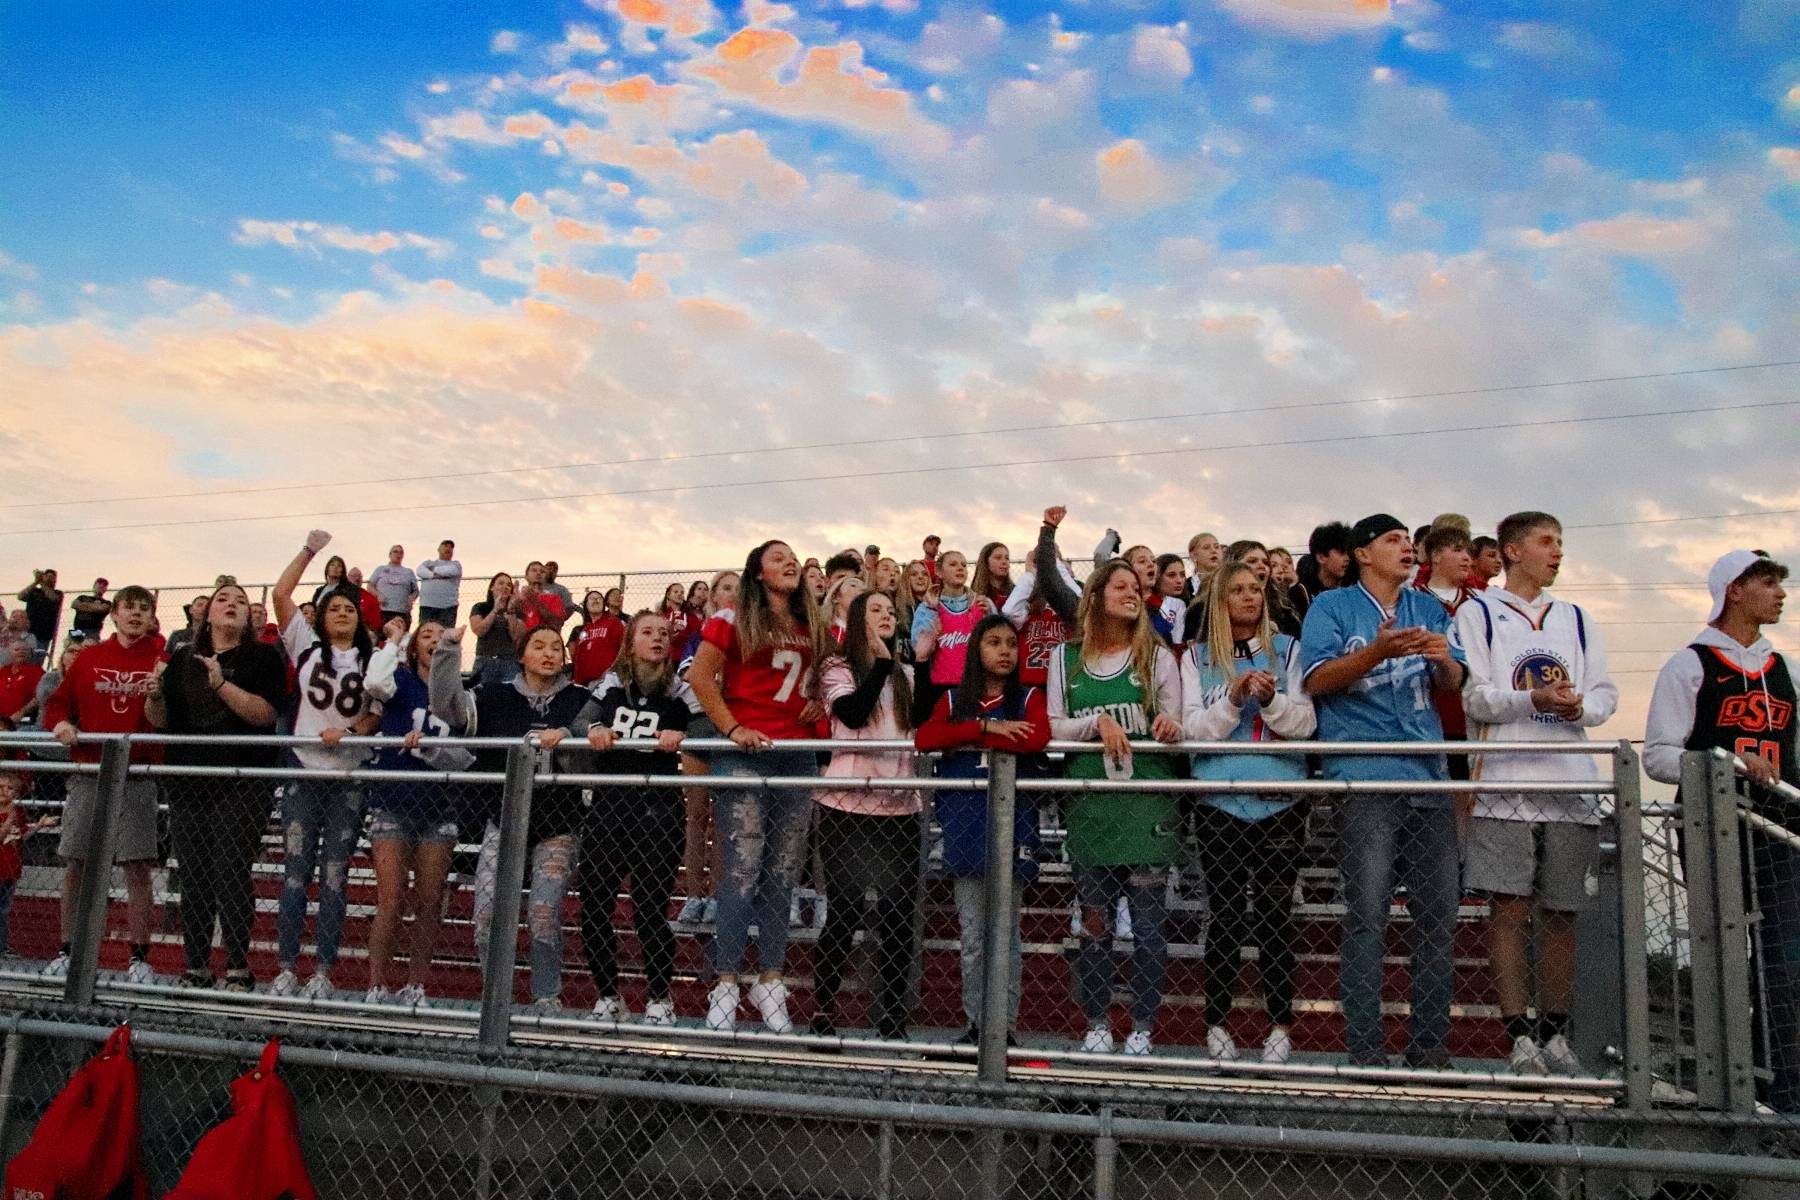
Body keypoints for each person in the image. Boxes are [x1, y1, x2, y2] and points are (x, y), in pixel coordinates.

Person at [1456, 511, 1618, 1076]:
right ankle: (1517, 1034)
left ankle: (1554, 1032)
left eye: (1561, 542)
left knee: (1562, 912)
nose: (1557, 552)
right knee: (1509, 907)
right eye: (1547, 542)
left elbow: (1604, 692)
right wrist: (1534, 701)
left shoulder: (1576, 618)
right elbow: (1477, 698)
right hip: (1505, 778)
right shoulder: (1478, 614)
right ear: (1511, 551)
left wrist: (1580, 707)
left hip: (1569, 780)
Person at [1301, 514, 1466, 1068]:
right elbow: (1316, 681)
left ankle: (1429, 1050)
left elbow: (1455, 684)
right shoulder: (1332, 607)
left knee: (1438, 917)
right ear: (1363, 553)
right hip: (1366, 775)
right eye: (1394, 540)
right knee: (1368, 914)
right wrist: (1378, 652)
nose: (1408, 548)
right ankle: (1365, 1049)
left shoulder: (1429, 607)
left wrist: (1444, 662)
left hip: (1428, 774)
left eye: (1409, 541)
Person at [1645, 550, 1797, 1109]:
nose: (1780, 592)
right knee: (1725, 956)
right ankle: (1728, 1085)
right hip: (1715, 829)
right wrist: (1731, 760)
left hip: (1782, 830)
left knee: (1785, 957)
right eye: (1767, 582)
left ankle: (1784, 1085)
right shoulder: (1690, 664)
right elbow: (1659, 758)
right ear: (1733, 590)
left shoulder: (1786, 669)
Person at [1183, 561, 1317, 1064]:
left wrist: (1272, 701)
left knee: (1276, 916)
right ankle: (1216, 1022)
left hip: (1281, 799)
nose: (1248, 597)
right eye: (1236, 590)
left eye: (1255, 589)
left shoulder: (1289, 651)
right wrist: (1234, 701)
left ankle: (1280, 1025)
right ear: (1218, 600)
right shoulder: (1196, 659)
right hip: (1219, 800)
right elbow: (1192, 729)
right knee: (1225, 915)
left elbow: (1306, 724)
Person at [687, 540, 823, 1034]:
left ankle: (769, 979)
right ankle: (724, 983)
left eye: (794, 557)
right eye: (778, 556)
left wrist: (821, 702)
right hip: (746, 752)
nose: (790, 562)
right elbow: (701, 677)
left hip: (796, 752)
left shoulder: (815, 626)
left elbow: (831, 678)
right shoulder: (730, 617)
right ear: (758, 572)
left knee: (782, 873)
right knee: (742, 868)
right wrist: (730, 727)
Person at [1050, 559, 1184, 1056]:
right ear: (1097, 596)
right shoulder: (1066, 659)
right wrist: (1098, 722)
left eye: (1137, 586)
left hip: (1147, 805)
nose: (1132, 593)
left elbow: (1178, 716)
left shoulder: (1157, 656)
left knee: (1149, 929)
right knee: (1095, 926)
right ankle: (1097, 1022)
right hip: (1091, 809)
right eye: (1120, 586)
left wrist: (1169, 725)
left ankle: (1143, 1026)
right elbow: (1055, 724)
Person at [431, 621, 589, 1009]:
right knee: (486, 915)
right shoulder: (493, 695)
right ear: (522, 655)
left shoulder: (583, 699)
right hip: (503, 818)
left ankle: (546, 997)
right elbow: (446, 705)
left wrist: (570, 737)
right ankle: (494, 994)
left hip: (559, 824)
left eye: (556, 647)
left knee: (543, 912)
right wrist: (448, 651)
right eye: (539, 645)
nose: (550, 653)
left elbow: (595, 738)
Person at [145, 582, 287, 991]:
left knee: (230, 870)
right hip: (188, 780)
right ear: (206, 613)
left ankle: (239, 968)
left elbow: (264, 715)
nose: (232, 605)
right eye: (224, 599)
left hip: (241, 783)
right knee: (193, 874)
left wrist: (221, 685)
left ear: (248, 617)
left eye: (241, 601)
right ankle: (195, 967)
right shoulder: (181, 657)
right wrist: (153, 697)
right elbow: (160, 721)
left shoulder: (263, 657)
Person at [915, 614, 1050, 1043]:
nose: (1005, 651)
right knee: (973, 937)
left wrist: (966, 739)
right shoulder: (954, 700)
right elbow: (925, 738)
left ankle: (1003, 1028)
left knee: (1005, 937)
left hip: (1012, 827)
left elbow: (1035, 737)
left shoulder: (1030, 696)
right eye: (994, 642)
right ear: (977, 650)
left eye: (1011, 643)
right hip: (966, 826)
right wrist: (986, 729)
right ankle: (977, 1023)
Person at [270, 531, 380, 999]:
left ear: (359, 620)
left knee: (333, 877)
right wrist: (309, 551)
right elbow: (280, 594)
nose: (340, 613)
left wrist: (351, 733)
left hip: (348, 775)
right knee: (296, 873)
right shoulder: (306, 647)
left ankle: (324, 971)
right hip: (304, 768)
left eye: (349, 609)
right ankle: (286, 967)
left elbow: (376, 713)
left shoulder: (374, 660)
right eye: (333, 606)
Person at [570, 611, 692, 1025]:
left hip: (658, 811)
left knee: (649, 911)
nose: (657, 638)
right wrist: (596, 729)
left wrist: (685, 736)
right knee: (594, 906)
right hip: (609, 807)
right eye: (647, 632)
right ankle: (608, 995)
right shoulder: (611, 683)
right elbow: (581, 720)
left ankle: (660, 998)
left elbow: (709, 725)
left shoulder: (680, 688)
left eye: (663, 632)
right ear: (631, 642)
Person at [811, 591, 922, 1040]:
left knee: (898, 916)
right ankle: (824, 1012)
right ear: (858, 621)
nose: (886, 617)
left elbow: (927, 718)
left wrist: (926, 665)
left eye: (891, 612)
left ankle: (891, 1017)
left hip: (900, 807)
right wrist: (878, 665)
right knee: (845, 912)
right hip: (847, 806)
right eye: (875, 610)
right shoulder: (836, 668)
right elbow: (854, 715)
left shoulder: (907, 673)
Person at [42, 585, 164, 984]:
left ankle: (138, 957)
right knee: (77, 862)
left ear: (151, 616)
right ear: (114, 613)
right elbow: (59, 703)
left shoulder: (162, 658)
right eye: (129, 607)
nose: (136, 614)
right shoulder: (91, 657)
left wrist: (158, 695)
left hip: (137, 773)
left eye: (143, 608)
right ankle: (68, 950)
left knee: (137, 866)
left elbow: (169, 717)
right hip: (90, 771)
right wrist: (60, 724)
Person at [362, 619, 467, 1005]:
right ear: (412, 646)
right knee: (390, 897)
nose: (435, 641)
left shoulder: (458, 692)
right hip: (394, 796)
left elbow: (468, 744)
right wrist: (392, 640)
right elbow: (374, 682)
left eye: (441, 637)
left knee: (429, 899)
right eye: (426, 635)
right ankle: (376, 985)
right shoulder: (399, 682)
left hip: (439, 803)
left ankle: (416, 985)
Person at [675, 569, 738, 924]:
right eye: (726, 588)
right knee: (696, 817)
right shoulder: (699, 636)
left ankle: (717, 895)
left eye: (739, 590)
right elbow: (690, 677)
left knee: (724, 822)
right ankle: (693, 895)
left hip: (732, 730)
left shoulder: (748, 636)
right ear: (713, 595)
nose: (732, 594)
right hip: (700, 728)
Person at [1416, 526, 1478, 780]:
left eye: (1468, 552)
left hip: (1469, 716)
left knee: (1468, 794)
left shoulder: (1480, 603)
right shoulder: (1412, 600)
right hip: (1428, 716)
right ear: (1436, 556)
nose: (1466, 557)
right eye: (1457, 549)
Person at [911, 550, 991, 724]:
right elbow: (919, 645)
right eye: (953, 564)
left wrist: (990, 612)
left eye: (963, 565)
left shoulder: (980, 605)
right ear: (939, 572)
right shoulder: (927, 608)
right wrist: (932, 610)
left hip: (974, 686)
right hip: (940, 688)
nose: (960, 568)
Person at [1001, 546, 1078, 688]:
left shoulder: (1071, 604)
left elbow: (1080, 606)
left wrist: (1053, 564)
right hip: (1030, 683)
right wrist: (1031, 573)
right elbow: (1009, 613)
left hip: (1065, 682)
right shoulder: (1029, 602)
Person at [0, 770, 56, 958]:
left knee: (4, 911)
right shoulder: (10, 815)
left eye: (10, 789)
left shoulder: (18, 813)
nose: (4, 792)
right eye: (1, 788)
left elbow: (21, 836)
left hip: (11, 870)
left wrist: (39, 825)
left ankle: (2, 946)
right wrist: (10, 819)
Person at [469, 573, 518, 687]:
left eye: (508, 585)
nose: (505, 587)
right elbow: (478, 630)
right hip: (485, 660)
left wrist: (511, 611)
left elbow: (515, 635)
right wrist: (495, 610)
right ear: (492, 587)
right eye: (500, 583)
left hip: (508, 661)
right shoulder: (480, 607)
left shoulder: (516, 610)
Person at [570, 590, 627, 687]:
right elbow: (578, 659)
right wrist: (578, 684)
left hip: (608, 681)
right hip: (586, 684)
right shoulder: (584, 630)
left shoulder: (614, 623)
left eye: (599, 599)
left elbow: (624, 649)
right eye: (591, 599)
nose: (595, 601)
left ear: (604, 604)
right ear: (586, 605)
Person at [1298, 522, 1354, 601]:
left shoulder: (1354, 589)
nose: (1347, 558)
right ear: (1321, 557)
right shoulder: (1301, 593)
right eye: (1341, 552)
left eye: (1349, 552)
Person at [17, 569, 62, 665]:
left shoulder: (58, 593)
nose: (49, 579)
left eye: (51, 577)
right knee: (23, 658)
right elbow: (21, 596)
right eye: (47, 576)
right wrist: (35, 582)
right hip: (28, 632)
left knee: (37, 661)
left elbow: (52, 598)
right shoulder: (34, 591)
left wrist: (42, 582)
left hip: (44, 634)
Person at [369, 546, 419, 630]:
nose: (398, 554)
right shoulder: (381, 569)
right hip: (383, 610)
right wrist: (378, 595)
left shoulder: (409, 572)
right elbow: (370, 586)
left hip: (402, 611)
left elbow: (415, 591)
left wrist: (411, 598)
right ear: (390, 554)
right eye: (395, 552)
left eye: (401, 552)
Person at [417, 540, 463, 627]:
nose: (448, 549)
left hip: (448, 608)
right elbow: (419, 571)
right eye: (445, 546)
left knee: (445, 635)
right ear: (438, 549)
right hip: (427, 606)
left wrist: (433, 569)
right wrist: (433, 576)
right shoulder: (428, 563)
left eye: (451, 547)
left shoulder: (455, 564)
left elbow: (451, 571)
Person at [0, 645, 44, 731]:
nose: (21, 652)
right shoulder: (3, 671)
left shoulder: (37, 672)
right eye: (17, 649)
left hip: (22, 721)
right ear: (9, 653)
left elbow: (40, 697)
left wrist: (21, 713)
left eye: (25, 649)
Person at [971, 543, 1014, 609]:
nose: (1004, 562)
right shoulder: (974, 594)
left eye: (1007, 558)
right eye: (998, 558)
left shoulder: (1015, 591)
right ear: (986, 562)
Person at [344, 567, 385, 631]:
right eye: (354, 576)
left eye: (359, 576)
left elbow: (376, 622)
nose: (357, 579)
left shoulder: (370, 598)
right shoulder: (340, 595)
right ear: (347, 578)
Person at [1186, 533, 1224, 601]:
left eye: (1217, 547)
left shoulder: (1229, 582)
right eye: (1206, 548)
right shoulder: (1185, 587)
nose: (1214, 551)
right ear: (1193, 556)